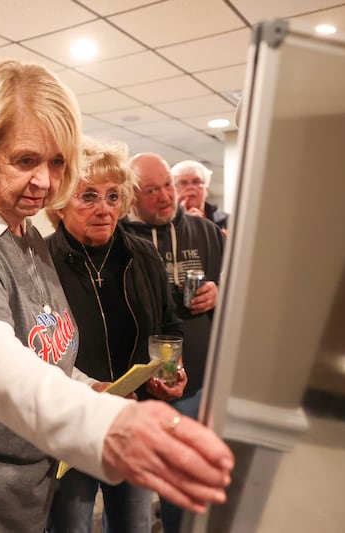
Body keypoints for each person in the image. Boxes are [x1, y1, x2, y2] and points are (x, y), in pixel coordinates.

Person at [0, 59, 233, 532]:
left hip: (8, 488)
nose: (45, 182)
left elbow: (45, 351)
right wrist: (105, 426)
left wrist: (94, 390)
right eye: (25, 160)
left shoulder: (24, 233)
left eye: (57, 162)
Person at [45, 137, 185, 533]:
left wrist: (171, 369)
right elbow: (33, 349)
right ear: (59, 203)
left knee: (134, 525)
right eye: (87, 196)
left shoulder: (143, 255)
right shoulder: (39, 262)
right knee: (70, 526)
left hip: (133, 420)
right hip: (72, 426)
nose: (104, 208)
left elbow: (168, 326)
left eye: (112, 196)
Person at [122, 152, 226, 533]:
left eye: (168, 184)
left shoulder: (208, 233)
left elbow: (242, 288)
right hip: (144, 391)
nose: (166, 196)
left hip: (199, 383)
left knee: (192, 484)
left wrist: (220, 292)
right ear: (132, 195)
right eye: (152, 190)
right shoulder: (122, 240)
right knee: (140, 493)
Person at [171, 159, 229, 232]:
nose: (190, 187)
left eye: (196, 182)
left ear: (206, 189)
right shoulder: (164, 222)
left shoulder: (227, 221)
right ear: (173, 190)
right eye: (183, 183)